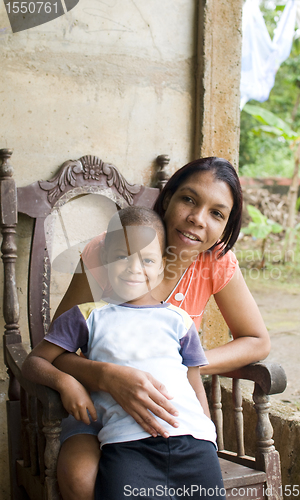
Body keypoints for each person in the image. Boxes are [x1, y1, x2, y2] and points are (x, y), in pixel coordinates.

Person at [50, 157, 271, 500]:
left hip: (172, 413)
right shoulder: (113, 249)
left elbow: (256, 341)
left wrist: (180, 365)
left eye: (217, 213)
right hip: (99, 401)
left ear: (226, 227)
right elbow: (56, 346)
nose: (198, 219)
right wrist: (108, 376)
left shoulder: (215, 262)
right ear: (168, 199)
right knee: (81, 479)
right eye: (189, 200)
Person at [22, 207, 226, 500]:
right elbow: (35, 362)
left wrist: (209, 434)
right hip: (127, 444)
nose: (134, 267)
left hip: (194, 443)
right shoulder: (87, 316)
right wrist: (66, 383)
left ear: (162, 266)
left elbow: (193, 382)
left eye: (147, 259)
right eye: (121, 257)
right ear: (104, 261)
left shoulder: (179, 320)